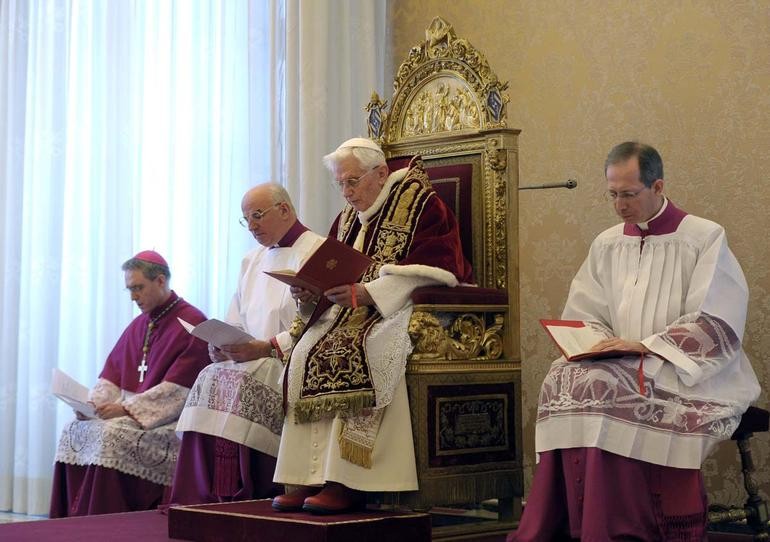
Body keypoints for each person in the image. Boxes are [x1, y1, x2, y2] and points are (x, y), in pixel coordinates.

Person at [510, 142, 761, 541]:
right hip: (621, 361)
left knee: (610, 389)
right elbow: (585, 312)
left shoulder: (703, 237)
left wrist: (648, 347)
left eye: (628, 194)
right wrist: (598, 344)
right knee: (562, 379)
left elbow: (716, 319)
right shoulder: (608, 243)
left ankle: (629, 526)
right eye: (612, 194)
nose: (619, 205)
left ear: (657, 186)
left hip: (685, 369)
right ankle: (570, 524)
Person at [271, 137, 473, 514]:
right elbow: (330, 266)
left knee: (366, 349)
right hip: (348, 310)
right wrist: (309, 293)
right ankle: (305, 474)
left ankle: (349, 479)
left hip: (397, 308)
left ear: (381, 174)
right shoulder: (347, 217)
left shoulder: (424, 205)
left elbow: (442, 267)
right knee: (304, 351)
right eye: (341, 183)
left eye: (352, 182)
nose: (346, 193)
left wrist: (372, 292)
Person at [170, 183, 324, 504]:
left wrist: (267, 346)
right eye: (246, 219)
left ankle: (248, 490)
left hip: (289, 360)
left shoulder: (317, 251)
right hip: (251, 358)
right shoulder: (251, 260)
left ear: (284, 210)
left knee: (244, 380)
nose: (252, 226)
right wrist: (221, 344)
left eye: (257, 216)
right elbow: (236, 320)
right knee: (210, 375)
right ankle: (203, 495)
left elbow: (318, 321)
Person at [50, 251, 210, 517]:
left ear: (160, 280)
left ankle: (103, 520)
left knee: (111, 434)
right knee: (73, 429)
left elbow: (179, 390)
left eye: (138, 288)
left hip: (169, 420)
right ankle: (72, 520)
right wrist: (92, 406)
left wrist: (125, 409)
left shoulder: (192, 322)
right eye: (129, 290)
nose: (134, 297)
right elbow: (112, 375)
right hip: (135, 413)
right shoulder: (139, 325)